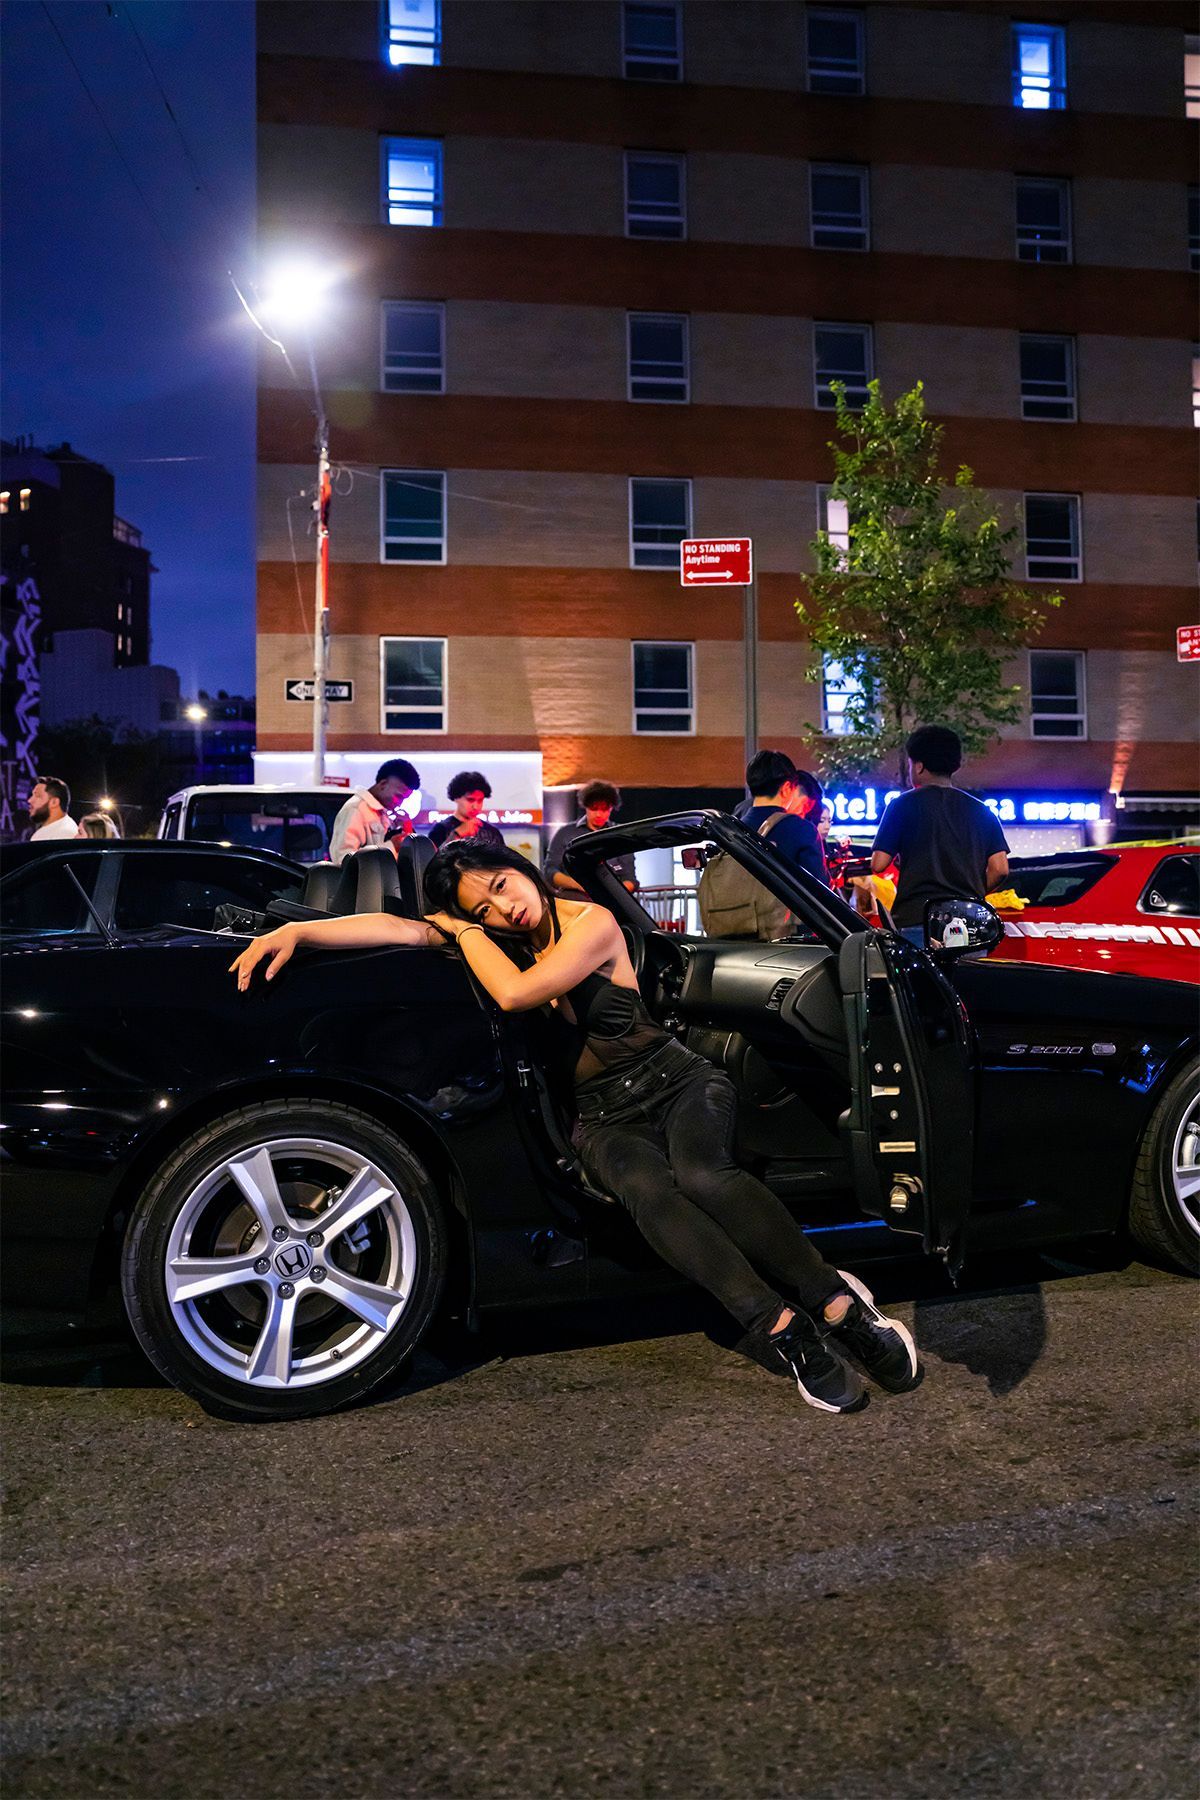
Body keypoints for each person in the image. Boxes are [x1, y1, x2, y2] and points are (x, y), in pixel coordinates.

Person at [229, 840, 921, 1415]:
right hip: (600, 1115)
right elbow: (399, 929)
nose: (504, 906)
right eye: (484, 907)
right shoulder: (493, 937)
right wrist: (299, 929)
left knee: (705, 1173)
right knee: (651, 1190)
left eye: (502, 884)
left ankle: (836, 1305)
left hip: (678, 1082)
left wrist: (463, 927)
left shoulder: (589, 921)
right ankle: (778, 1327)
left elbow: (516, 993)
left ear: (519, 866)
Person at [871, 725, 1010, 944]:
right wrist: (970, 893)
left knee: (919, 979)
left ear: (919, 766)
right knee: (966, 978)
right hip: (970, 921)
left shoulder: (901, 805)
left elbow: (878, 863)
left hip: (916, 918)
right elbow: (1000, 869)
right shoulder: (982, 810)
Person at [740, 751, 829, 887]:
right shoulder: (803, 831)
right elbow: (821, 890)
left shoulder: (733, 828)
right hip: (780, 909)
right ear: (787, 788)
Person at [543, 780, 637, 895]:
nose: (599, 814)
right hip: (575, 899)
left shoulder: (620, 834)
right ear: (585, 806)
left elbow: (630, 879)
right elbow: (550, 871)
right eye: (594, 808)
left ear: (611, 808)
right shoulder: (565, 833)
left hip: (610, 900)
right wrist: (577, 885)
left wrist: (612, 894)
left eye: (604, 809)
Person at [329, 759, 420, 864]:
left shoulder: (382, 813)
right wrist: (392, 846)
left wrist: (405, 826)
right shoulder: (356, 809)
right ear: (383, 784)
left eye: (404, 799)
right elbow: (343, 859)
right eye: (398, 796)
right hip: (363, 880)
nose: (399, 803)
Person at [427, 771, 505, 851]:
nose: (475, 806)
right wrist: (457, 834)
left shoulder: (492, 832)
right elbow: (433, 860)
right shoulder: (440, 830)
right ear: (456, 797)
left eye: (480, 800)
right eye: (470, 800)